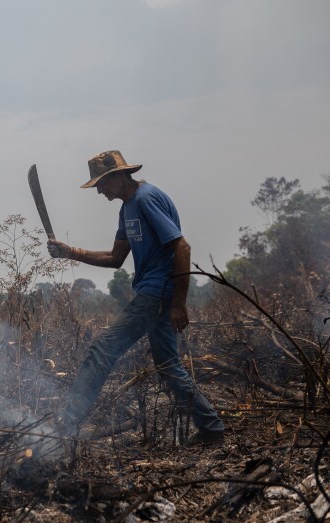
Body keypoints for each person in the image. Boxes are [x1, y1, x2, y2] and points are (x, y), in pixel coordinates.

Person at [47, 150, 225, 446]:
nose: (99, 191)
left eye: (101, 184)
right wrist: (70, 252)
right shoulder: (127, 208)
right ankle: (211, 428)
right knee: (168, 363)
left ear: (117, 176)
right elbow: (116, 258)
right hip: (154, 292)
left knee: (102, 349)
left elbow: (182, 248)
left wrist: (178, 302)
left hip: (157, 293)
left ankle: (66, 425)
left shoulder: (145, 198)